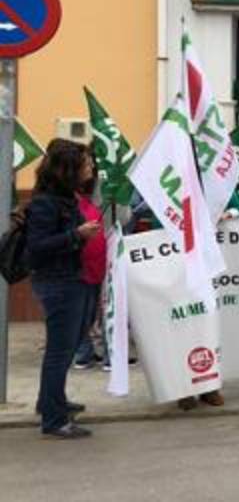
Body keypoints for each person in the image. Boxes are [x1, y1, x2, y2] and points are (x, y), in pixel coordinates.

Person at [25, 139, 101, 439]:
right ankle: (54, 420)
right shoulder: (45, 202)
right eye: (85, 163)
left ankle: (52, 402)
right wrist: (76, 235)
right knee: (59, 352)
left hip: (74, 277)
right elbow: (37, 247)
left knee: (67, 348)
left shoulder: (68, 197)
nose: (91, 167)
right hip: (58, 282)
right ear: (68, 169)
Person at [72, 154, 107, 370]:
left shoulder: (88, 200)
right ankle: (83, 354)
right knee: (82, 312)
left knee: (90, 310)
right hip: (80, 267)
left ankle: (85, 352)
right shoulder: (69, 202)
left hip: (96, 266)